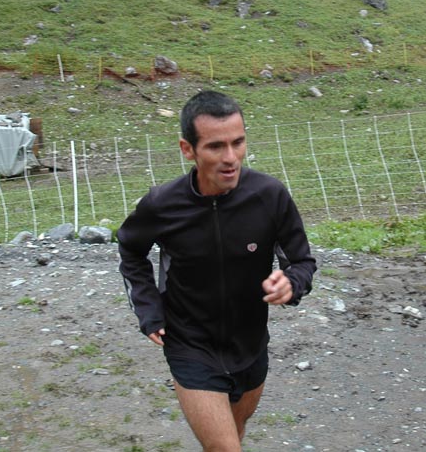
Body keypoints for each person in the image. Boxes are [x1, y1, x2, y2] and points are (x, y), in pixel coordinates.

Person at [117, 90, 317, 450]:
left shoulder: (270, 196)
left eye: (238, 142)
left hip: (251, 345)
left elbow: (302, 262)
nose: (230, 158)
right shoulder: (162, 204)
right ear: (188, 149)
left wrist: (291, 283)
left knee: (234, 435)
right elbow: (131, 251)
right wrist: (148, 307)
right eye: (215, 146)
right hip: (190, 344)